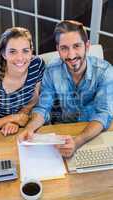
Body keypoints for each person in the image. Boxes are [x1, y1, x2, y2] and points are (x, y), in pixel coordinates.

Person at [19, 20, 113, 158]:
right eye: (64, 48)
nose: (71, 55)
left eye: (77, 46)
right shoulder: (51, 70)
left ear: (87, 46)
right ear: (58, 49)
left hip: (94, 134)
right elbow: (43, 108)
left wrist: (77, 141)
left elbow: (103, 114)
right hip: (62, 136)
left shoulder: (105, 71)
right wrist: (29, 128)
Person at [0, 27, 45, 136]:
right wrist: (10, 119)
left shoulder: (37, 65)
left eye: (25, 51)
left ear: (31, 51)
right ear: (4, 54)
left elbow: (33, 100)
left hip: (16, 129)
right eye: (12, 52)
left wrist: (17, 119)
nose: (20, 58)